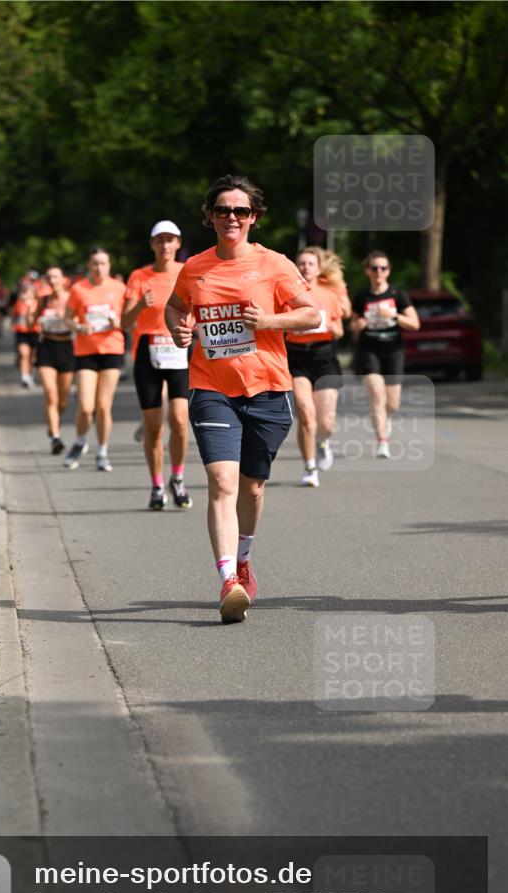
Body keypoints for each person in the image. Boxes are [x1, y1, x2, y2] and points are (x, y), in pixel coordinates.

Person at [165, 175, 320, 623]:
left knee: (251, 487)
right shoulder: (194, 267)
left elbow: (312, 314)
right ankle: (228, 580)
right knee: (222, 484)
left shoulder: (274, 264)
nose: (231, 217)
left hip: (268, 388)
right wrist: (179, 327)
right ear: (209, 216)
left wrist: (269, 320)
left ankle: (244, 556)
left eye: (240, 211)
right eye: (222, 210)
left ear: (254, 217)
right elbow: (176, 306)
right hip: (212, 387)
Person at [123, 221, 192, 510]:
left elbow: (200, 308)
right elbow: (124, 323)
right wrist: (140, 304)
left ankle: (178, 477)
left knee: (178, 420)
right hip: (148, 352)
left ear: (178, 244)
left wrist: (193, 325)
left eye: (170, 240)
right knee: (153, 428)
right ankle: (156, 484)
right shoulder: (139, 276)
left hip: (178, 350)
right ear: (152, 244)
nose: (165, 246)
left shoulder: (187, 272)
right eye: (159, 240)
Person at [350, 251, 420, 458]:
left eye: (383, 268)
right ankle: (382, 441)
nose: (378, 272)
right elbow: (353, 326)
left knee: (392, 403)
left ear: (388, 271)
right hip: (369, 350)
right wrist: (358, 325)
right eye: (374, 268)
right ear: (367, 271)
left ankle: (385, 419)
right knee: (376, 395)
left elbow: (415, 324)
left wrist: (395, 316)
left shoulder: (398, 295)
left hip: (393, 350)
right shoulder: (362, 296)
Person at [63, 248, 126, 471]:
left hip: (111, 349)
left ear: (109, 266)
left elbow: (128, 319)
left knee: (103, 406)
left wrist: (116, 320)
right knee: (86, 406)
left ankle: (102, 451)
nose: (99, 268)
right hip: (86, 351)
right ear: (89, 266)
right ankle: (80, 442)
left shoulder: (119, 288)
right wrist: (79, 327)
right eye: (95, 264)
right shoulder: (79, 289)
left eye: (103, 264)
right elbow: (67, 319)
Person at [287, 246, 344, 487]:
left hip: (324, 356)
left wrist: (329, 327)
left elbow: (340, 329)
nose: (305, 267)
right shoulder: (287, 294)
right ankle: (309, 466)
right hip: (296, 357)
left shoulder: (329, 294)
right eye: (301, 263)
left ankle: (323, 441)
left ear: (319, 269)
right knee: (306, 413)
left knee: (326, 422)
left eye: (310, 264)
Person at [33, 266, 74, 455]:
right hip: (46, 347)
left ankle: (53, 422)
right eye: (49, 277)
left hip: (66, 348)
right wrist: (31, 313)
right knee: (51, 394)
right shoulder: (43, 300)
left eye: (55, 276)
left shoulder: (72, 299)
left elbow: (81, 321)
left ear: (63, 279)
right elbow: (30, 322)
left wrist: (67, 321)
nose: (52, 280)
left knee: (63, 399)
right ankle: (55, 437)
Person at [11, 283, 39, 388]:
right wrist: (13, 324)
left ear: (33, 293)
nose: (25, 294)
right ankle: (24, 377)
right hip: (22, 332)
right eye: (24, 292)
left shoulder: (37, 303)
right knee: (24, 354)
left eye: (28, 292)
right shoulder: (19, 303)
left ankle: (30, 376)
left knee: (32, 357)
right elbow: (13, 314)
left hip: (35, 332)